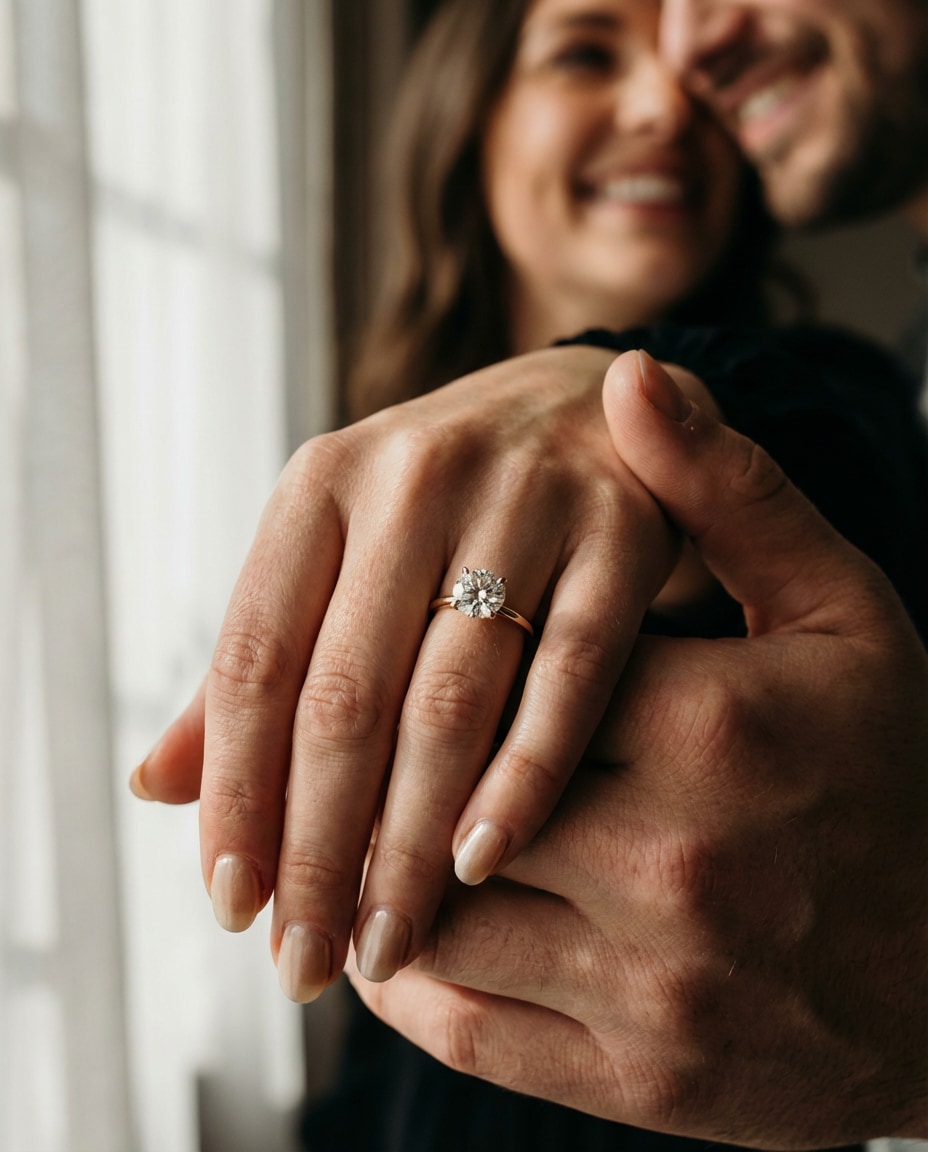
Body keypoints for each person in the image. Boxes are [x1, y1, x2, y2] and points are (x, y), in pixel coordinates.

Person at [132, 0, 928, 1143]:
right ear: (470, 123)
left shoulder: (822, 419)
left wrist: (616, 402)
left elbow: (816, 425)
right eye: (584, 54)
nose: (663, 102)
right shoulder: (369, 488)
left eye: (682, 82)